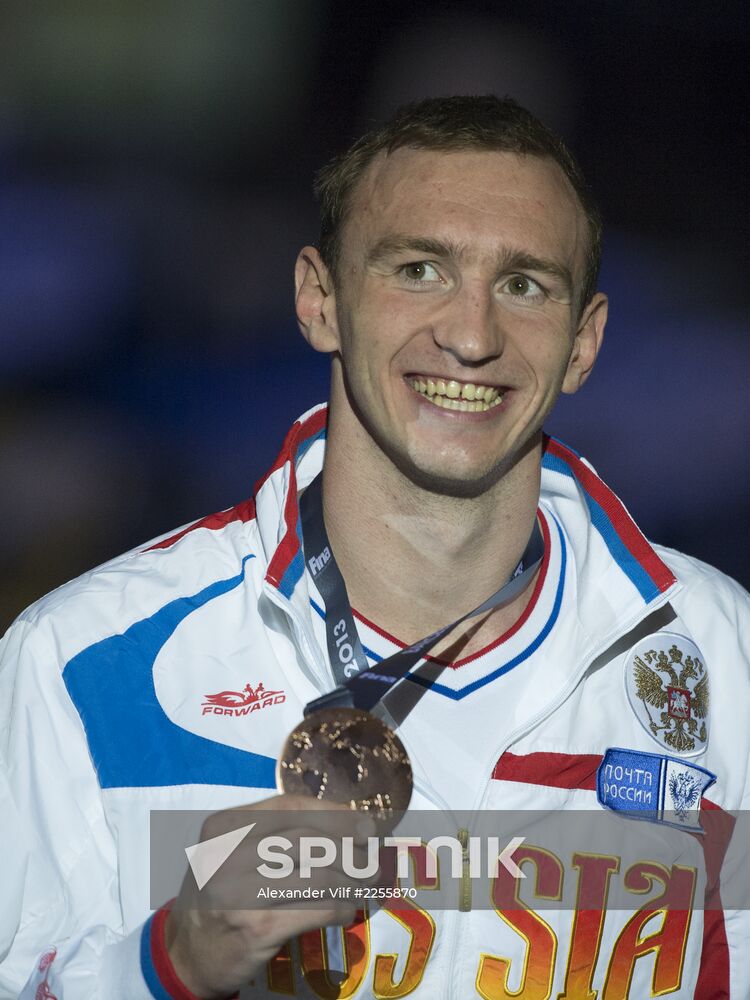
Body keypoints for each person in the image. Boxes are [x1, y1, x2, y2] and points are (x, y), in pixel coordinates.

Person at [1, 95, 748, 999]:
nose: (471, 337)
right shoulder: (82, 663)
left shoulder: (723, 654)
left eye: (524, 285)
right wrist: (178, 958)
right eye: (419, 269)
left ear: (584, 344)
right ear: (320, 301)